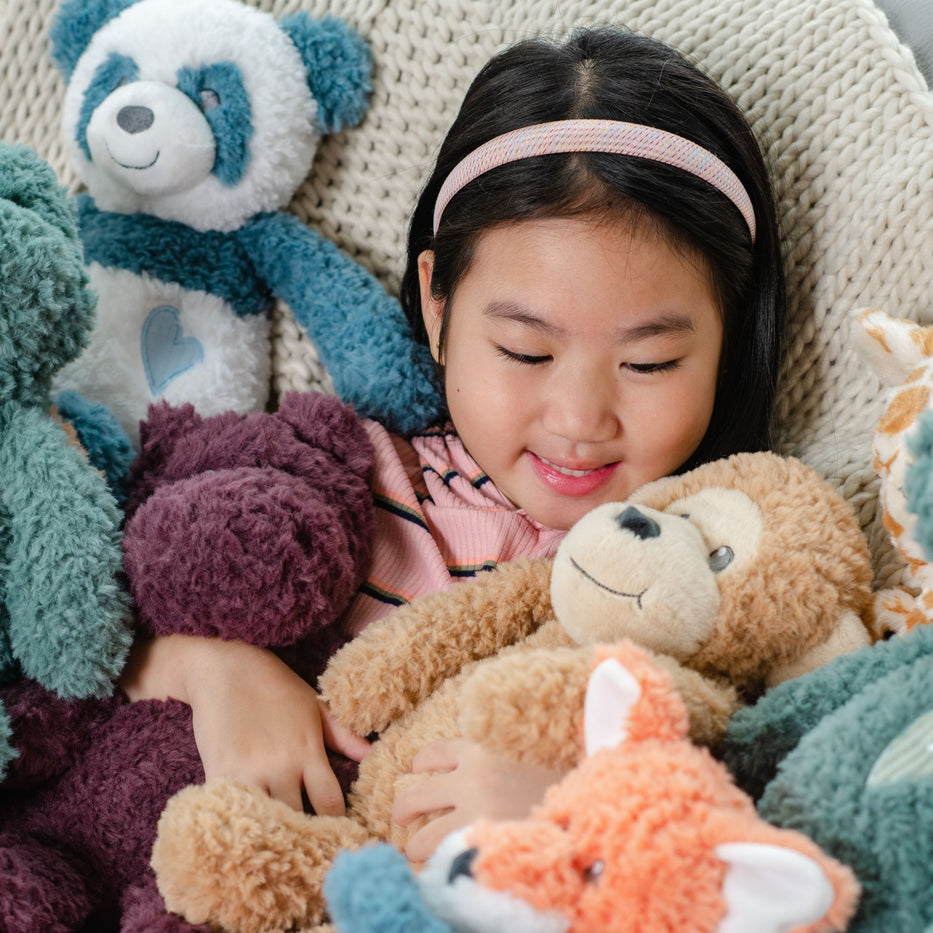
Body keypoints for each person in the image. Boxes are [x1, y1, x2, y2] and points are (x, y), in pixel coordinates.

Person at [120, 26, 786, 865]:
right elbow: (73, 649)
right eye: (526, 352)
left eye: (648, 362)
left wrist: (578, 812)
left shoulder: (734, 570)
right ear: (437, 304)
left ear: (731, 341)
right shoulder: (338, 482)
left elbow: (778, 829)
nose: (579, 418)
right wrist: (210, 665)